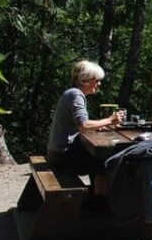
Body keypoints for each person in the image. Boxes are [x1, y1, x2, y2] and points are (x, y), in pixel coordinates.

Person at [46, 60, 124, 193]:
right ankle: (100, 203)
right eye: (97, 80)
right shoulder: (76, 95)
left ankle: (96, 197)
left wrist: (98, 125)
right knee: (104, 162)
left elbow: (81, 123)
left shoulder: (71, 93)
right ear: (85, 80)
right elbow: (84, 125)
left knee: (98, 160)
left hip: (56, 152)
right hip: (63, 155)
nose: (99, 84)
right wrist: (111, 119)